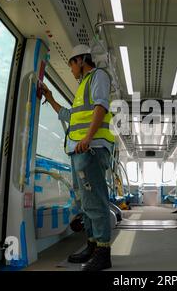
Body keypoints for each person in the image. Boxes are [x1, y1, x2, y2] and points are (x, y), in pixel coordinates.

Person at [41, 44, 115, 272]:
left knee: (95, 200)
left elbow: (101, 106)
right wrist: (51, 98)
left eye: (71, 65)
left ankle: (103, 252)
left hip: (90, 149)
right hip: (79, 151)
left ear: (81, 61)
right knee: (85, 201)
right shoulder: (82, 88)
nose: (71, 71)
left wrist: (88, 138)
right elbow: (69, 116)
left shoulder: (98, 76)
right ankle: (92, 245)